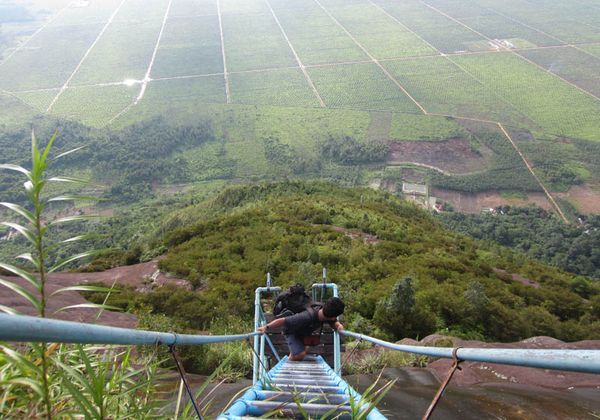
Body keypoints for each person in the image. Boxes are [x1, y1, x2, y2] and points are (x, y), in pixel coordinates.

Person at [257, 297, 345, 361]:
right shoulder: (306, 317)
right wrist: (266, 327)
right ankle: (289, 365)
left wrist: (338, 326)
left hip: (304, 331)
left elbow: (333, 322)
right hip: (291, 331)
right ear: (332, 316)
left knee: (304, 348)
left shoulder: (323, 310)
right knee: (300, 355)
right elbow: (283, 321)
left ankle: (294, 354)